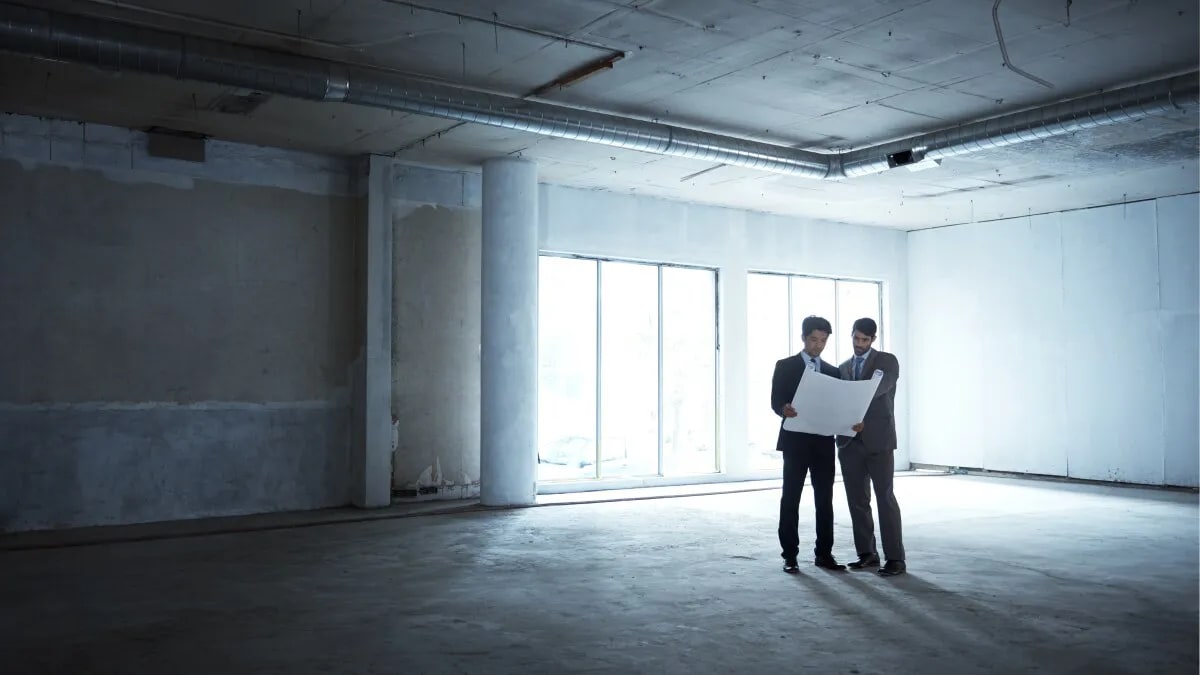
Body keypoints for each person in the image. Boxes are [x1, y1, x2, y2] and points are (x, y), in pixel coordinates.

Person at [771, 315, 846, 573]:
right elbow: (775, 400)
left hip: (824, 443)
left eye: (823, 341)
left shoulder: (833, 372)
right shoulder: (785, 366)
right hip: (795, 442)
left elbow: (838, 408)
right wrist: (784, 408)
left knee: (825, 500)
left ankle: (824, 554)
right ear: (803, 338)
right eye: (814, 339)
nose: (818, 345)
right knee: (791, 498)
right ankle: (789, 556)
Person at [836, 317, 906, 577]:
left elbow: (879, 388)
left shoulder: (887, 361)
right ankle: (867, 554)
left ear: (873, 339)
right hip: (849, 443)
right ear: (851, 335)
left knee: (885, 498)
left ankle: (895, 559)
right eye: (856, 338)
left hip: (879, 442)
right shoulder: (842, 368)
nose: (859, 344)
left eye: (865, 340)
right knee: (857, 500)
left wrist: (857, 411)